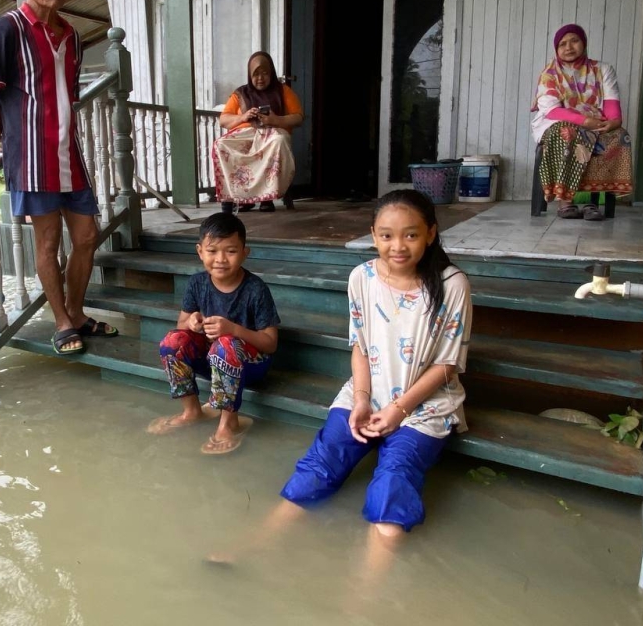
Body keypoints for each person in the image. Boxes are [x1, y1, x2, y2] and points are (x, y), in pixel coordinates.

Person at [211, 190, 469, 572]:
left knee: (392, 485)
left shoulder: (451, 284)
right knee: (319, 465)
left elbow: (447, 364)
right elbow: (361, 347)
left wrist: (398, 410)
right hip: (366, 393)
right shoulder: (361, 277)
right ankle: (252, 547)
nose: (397, 246)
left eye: (410, 235)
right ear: (373, 234)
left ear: (431, 233)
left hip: (423, 404)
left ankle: (359, 602)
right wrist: (363, 398)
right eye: (386, 235)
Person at [0, 0, 117, 356]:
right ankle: (62, 322)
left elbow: (66, 95)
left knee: (87, 236)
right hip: (32, 160)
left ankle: (77, 312)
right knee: (48, 244)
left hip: (69, 154)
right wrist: (8, 139)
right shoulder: (8, 28)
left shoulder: (72, 35)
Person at [147, 212, 280, 455]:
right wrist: (192, 323)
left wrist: (233, 329)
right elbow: (181, 323)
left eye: (230, 251)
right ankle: (192, 410)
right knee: (172, 340)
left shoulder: (255, 289)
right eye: (212, 251)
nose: (220, 259)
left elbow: (270, 343)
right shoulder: (197, 283)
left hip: (250, 365)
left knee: (226, 344)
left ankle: (230, 422)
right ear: (200, 252)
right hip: (212, 362)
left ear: (244, 253)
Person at [531, 23, 633, 221]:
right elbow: (552, 110)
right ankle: (565, 202)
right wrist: (585, 121)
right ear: (557, 49)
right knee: (568, 132)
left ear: (583, 43)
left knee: (619, 135)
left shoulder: (603, 70)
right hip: (557, 121)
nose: (568, 47)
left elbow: (612, 104)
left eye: (574, 41)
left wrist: (613, 122)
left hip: (597, 120)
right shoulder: (549, 74)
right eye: (562, 44)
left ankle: (591, 202)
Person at [213, 52, 303, 214]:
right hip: (245, 133)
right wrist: (243, 117)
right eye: (255, 74)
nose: (260, 78)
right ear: (249, 75)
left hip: (272, 132)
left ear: (271, 73)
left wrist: (275, 120)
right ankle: (234, 198)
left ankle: (266, 198)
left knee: (277, 140)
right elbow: (224, 120)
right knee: (221, 144)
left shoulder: (283, 91)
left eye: (264, 73)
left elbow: (298, 117)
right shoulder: (240, 93)